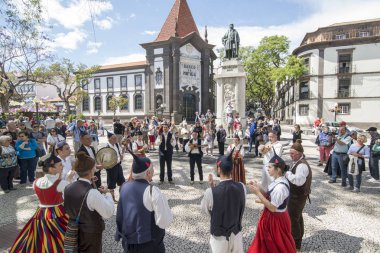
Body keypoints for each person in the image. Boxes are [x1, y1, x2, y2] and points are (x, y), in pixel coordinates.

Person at [9, 154, 74, 253]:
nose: (63, 166)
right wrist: (69, 178)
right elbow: (70, 190)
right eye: (60, 165)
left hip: (40, 212)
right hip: (57, 211)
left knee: (40, 234)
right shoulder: (60, 183)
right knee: (64, 234)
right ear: (52, 169)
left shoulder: (36, 182)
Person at [115, 150, 173, 253]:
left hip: (128, 244)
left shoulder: (124, 187)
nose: (154, 171)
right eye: (152, 168)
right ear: (148, 173)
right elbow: (164, 221)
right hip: (149, 245)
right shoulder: (152, 191)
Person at [64, 152, 114, 253]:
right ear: (91, 171)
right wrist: (108, 194)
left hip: (73, 229)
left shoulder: (68, 187)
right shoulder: (91, 193)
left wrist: (91, 182)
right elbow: (108, 213)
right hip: (90, 233)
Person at [247, 153, 296, 253]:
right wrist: (258, 187)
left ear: (278, 169)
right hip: (272, 216)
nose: (267, 169)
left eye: (270, 167)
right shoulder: (277, 180)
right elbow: (268, 196)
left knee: (276, 245)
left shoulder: (280, 187)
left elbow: (272, 207)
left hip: (276, 219)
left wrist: (257, 192)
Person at [201, 151, 246, 253]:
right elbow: (241, 205)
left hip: (219, 237)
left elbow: (205, 210)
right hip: (236, 234)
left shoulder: (210, 192)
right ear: (232, 169)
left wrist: (212, 189)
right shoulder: (242, 187)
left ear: (219, 169)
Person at [285, 140, 312, 250]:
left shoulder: (302, 165)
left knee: (293, 219)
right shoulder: (298, 161)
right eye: (290, 153)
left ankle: (296, 243)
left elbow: (298, 181)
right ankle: (297, 240)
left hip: (298, 196)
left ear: (300, 153)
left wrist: (287, 173)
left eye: (293, 153)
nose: (290, 155)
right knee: (297, 217)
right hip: (296, 195)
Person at [105, 131, 126, 203]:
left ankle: (122, 197)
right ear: (109, 139)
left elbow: (120, 152)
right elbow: (106, 159)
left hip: (118, 165)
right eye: (113, 138)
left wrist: (122, 152)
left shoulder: (116, 144)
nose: (115, 139)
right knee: (111, 183)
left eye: (115, 138)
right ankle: (113, 199)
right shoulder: (106, 147)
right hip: (111, 167)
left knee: (122, 181)